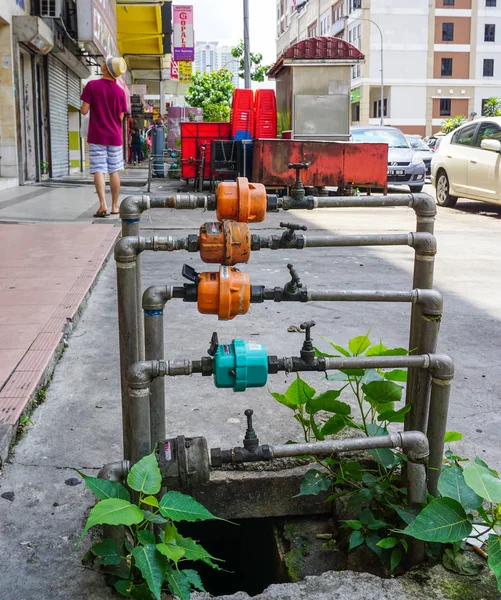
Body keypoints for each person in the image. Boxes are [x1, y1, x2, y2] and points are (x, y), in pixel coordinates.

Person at [80, 57, 128, 217]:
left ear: (106, 68)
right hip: (115, 136)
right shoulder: (120, 92)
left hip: (97, 136)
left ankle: (102, 205)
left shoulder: (92, 86)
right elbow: (121, 117)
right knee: (114, 171)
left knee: (99, 169)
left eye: (105, 63)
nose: (102, 64)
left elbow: (84, 110)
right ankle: (115, 206)